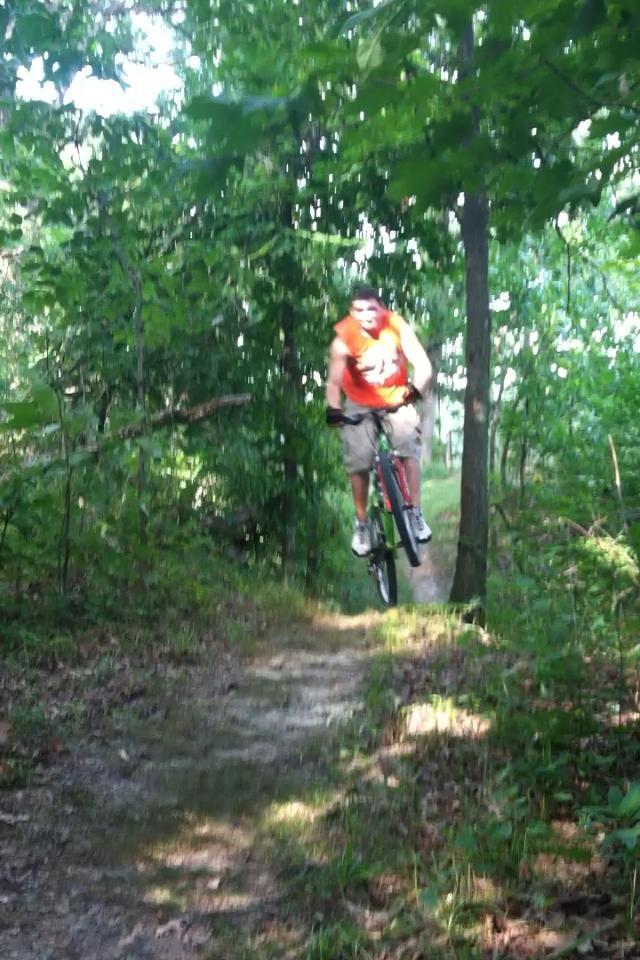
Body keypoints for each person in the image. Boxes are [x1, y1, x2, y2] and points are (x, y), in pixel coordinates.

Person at [325, 285, 433, 557]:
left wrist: (416, 389)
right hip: (359, 401)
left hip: (396, 396)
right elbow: (334, 381)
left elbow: (424, 365)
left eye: (372, 308)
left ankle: (416, 514)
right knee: (358, 458)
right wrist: (333, 408)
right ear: (352, 312)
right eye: (359, 310)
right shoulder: (344, 338)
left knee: (408, 444)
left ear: (382, 308)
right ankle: (362, 525)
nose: (366, 315)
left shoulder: (397, 327)